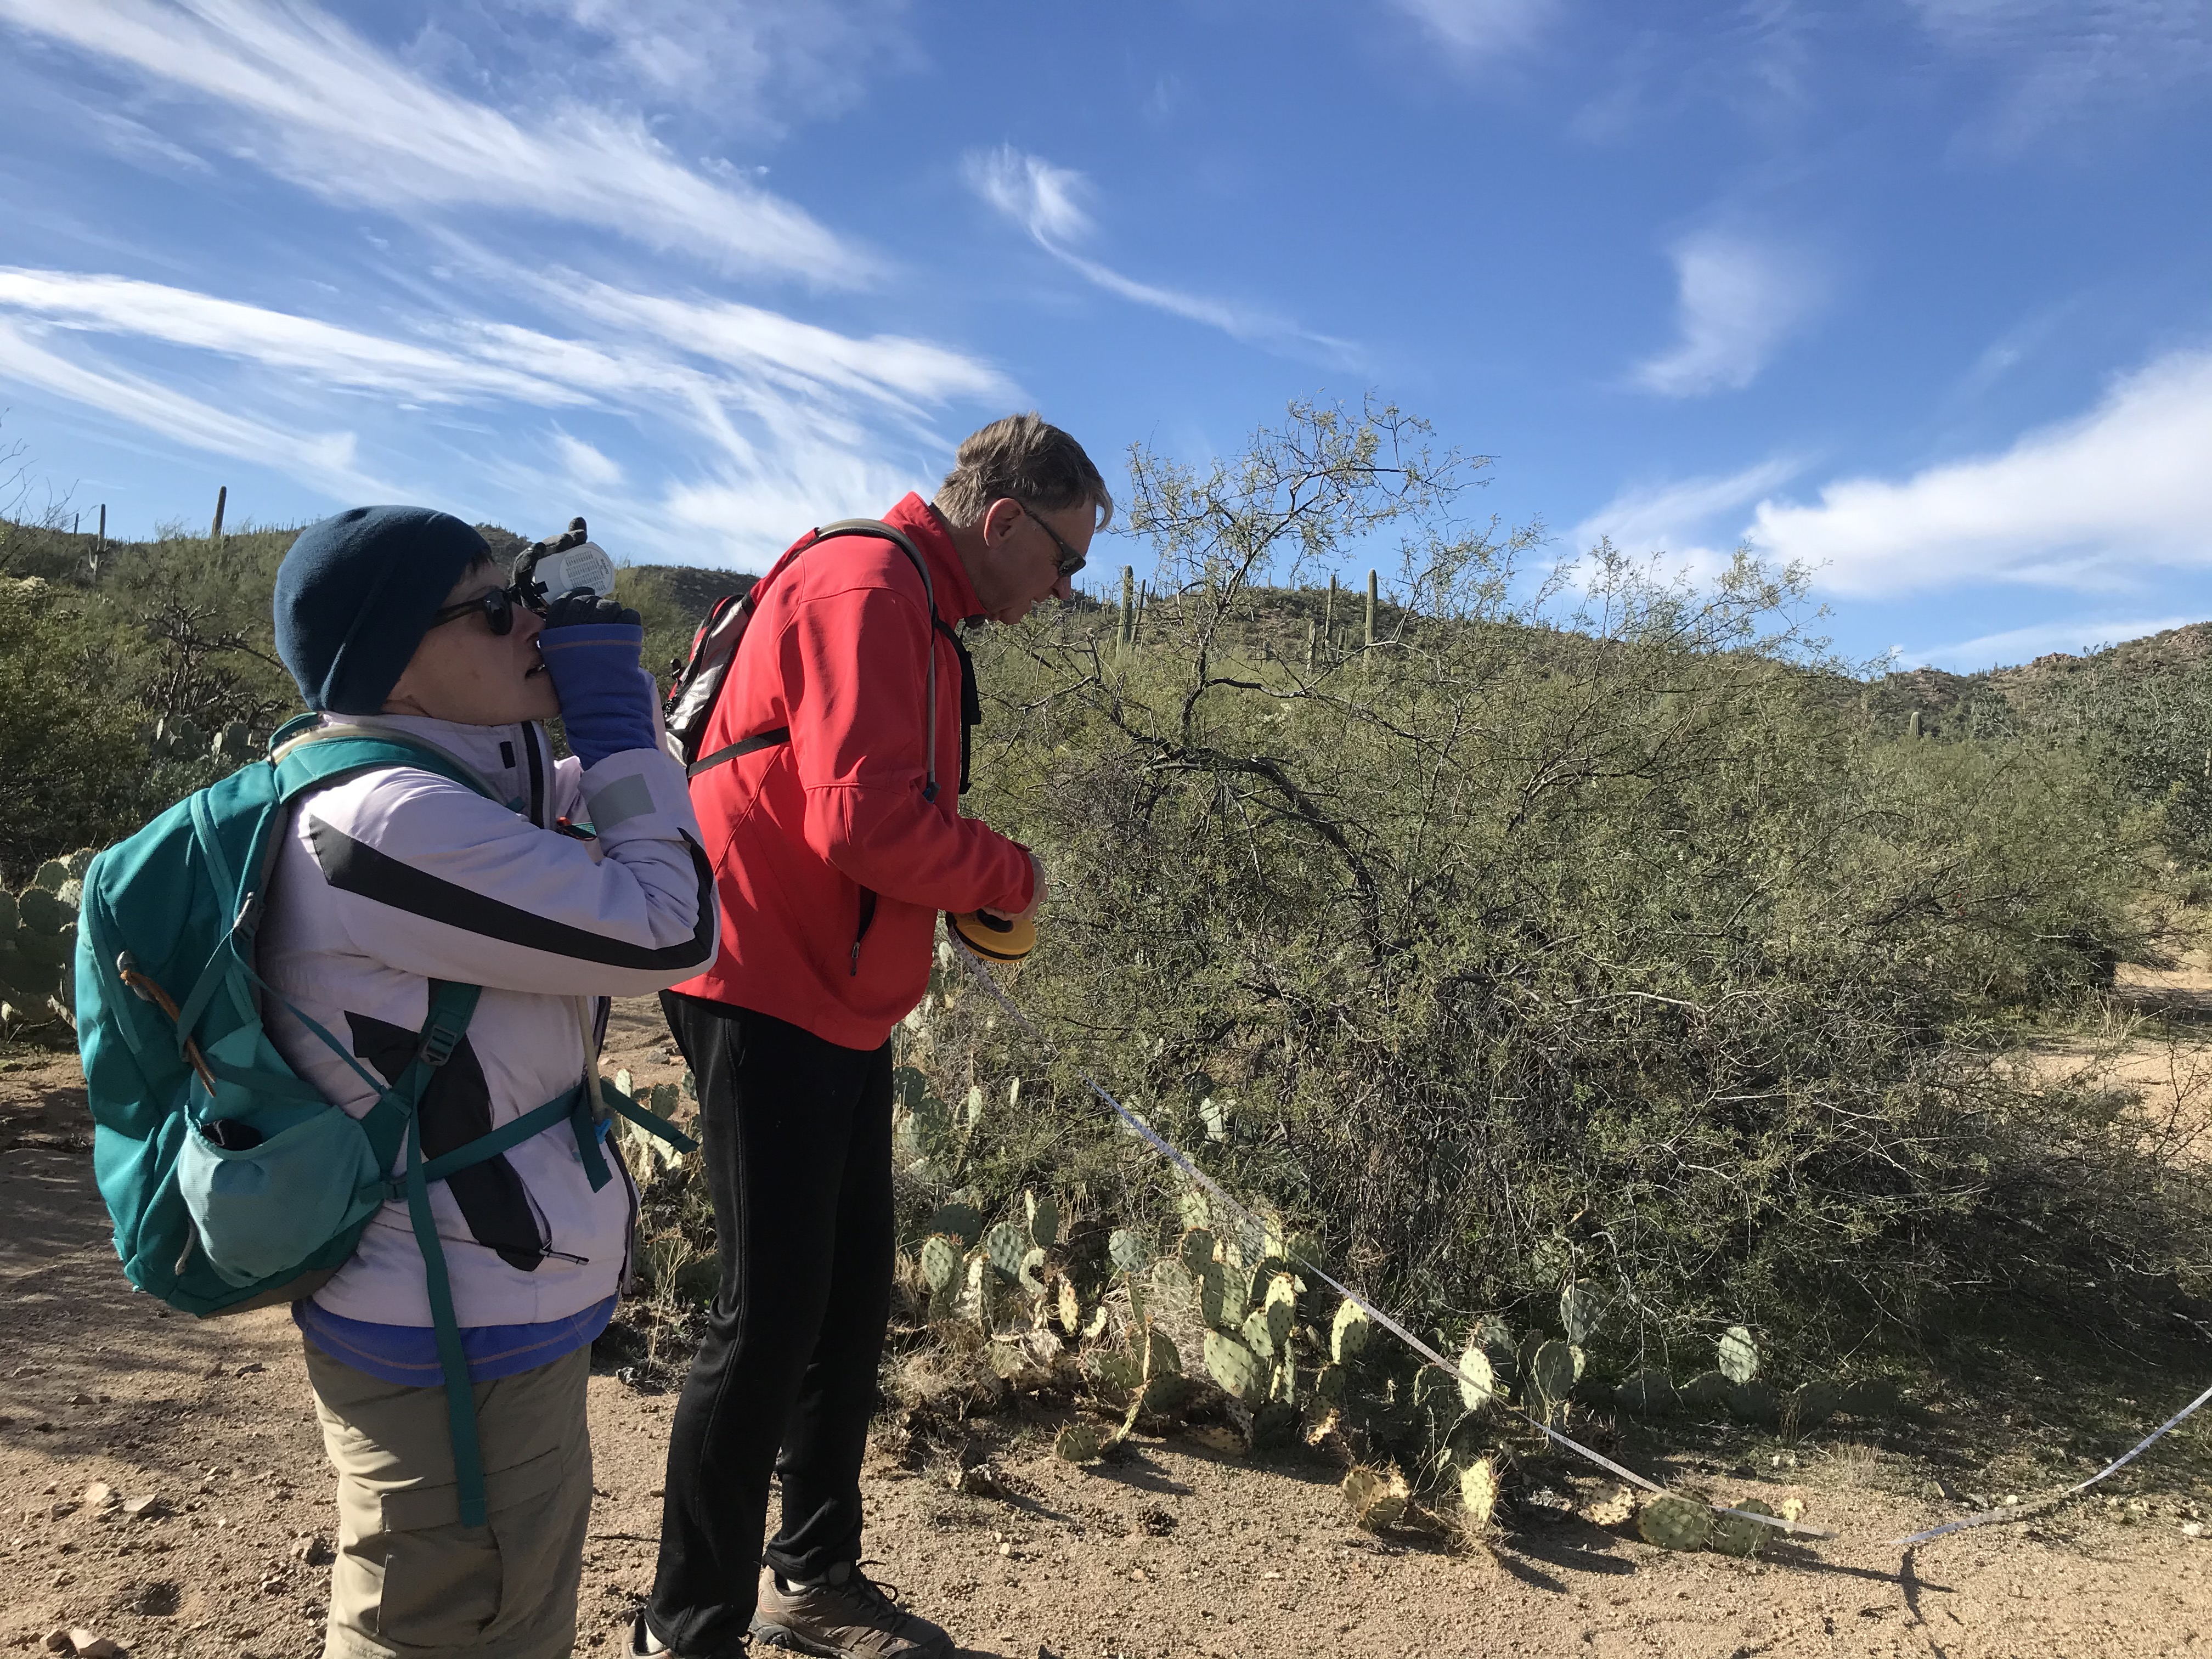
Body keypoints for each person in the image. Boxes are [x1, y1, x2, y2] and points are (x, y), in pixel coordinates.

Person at [640, 414, 1111, 1658]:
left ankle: (815, 1575)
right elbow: (863, 823)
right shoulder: (869, 586)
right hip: (762, 984)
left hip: (832, 993)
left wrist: (949, 885)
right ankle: (684, 1628)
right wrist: (1008, 871)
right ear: (1004, 521)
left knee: (842, 1302)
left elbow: (861, 811)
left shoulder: (915, 599)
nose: (1064, 592)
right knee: (765, 1318)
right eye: (1063, 561)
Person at [264, 505, 719, 1658]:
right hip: (450, 1316)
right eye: (494, 605)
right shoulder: (382, 822)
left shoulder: (436, 791)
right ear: (396, 663)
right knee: (451, 1624)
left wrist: (632, 726)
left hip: (484, 1298)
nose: (531, 621)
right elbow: (673, 923)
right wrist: (620, 730)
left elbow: (592, 815)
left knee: (498, 1608)